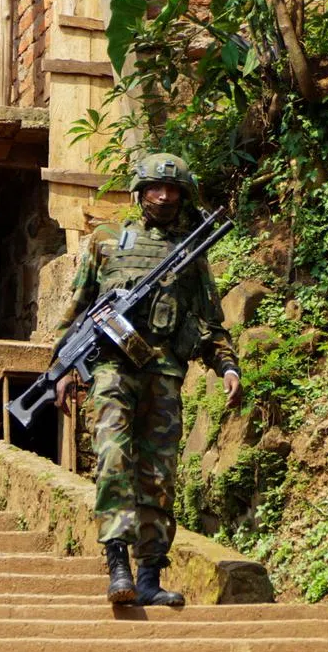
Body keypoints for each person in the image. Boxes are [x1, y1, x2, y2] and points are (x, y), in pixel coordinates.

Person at [53, 153, 244, 607]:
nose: (164, 196)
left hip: (164, 374)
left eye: (172, 189)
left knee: (159, 475)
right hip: (113, 369)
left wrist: (228, 366)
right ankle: (118, 565)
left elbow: (210, 322)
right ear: (140, 193)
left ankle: (150, 576)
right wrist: (60, 368)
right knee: (113, 457)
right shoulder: (106, 241)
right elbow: (76, 312)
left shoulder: (191, 252)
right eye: (155, 187)